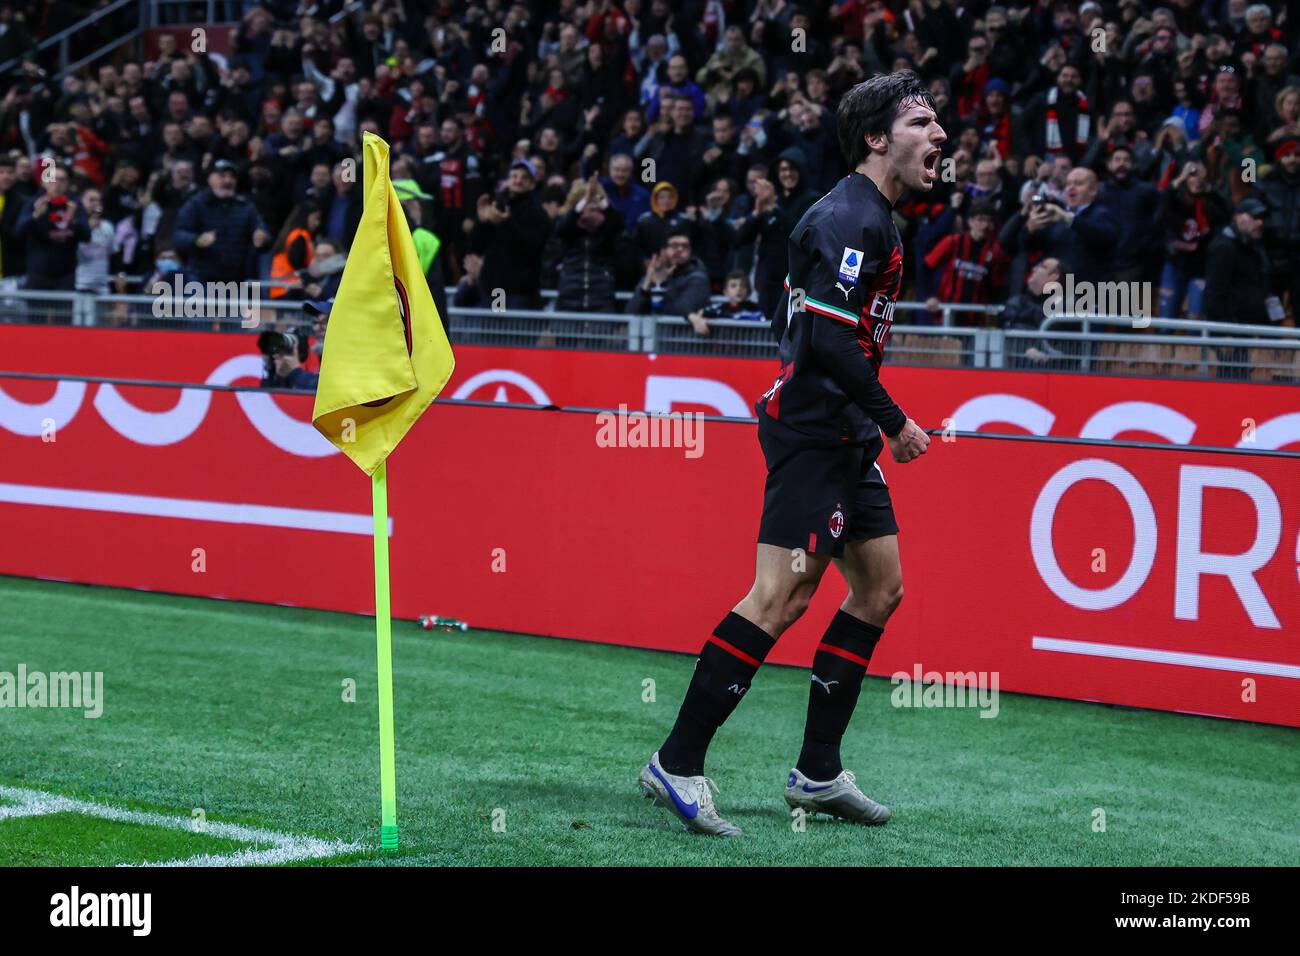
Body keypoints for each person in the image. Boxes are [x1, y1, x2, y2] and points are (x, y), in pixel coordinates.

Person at [638, 71, 940, 836]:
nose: (940, 137)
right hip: (814, 431)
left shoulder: (878, 218)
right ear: (877, 138)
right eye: (922, 124)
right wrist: (896, 420)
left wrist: (873, 423)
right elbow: (827, 338)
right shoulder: (845, 216)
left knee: (880, 588)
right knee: (779, 598)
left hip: (847, 433)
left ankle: (817, 772)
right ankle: (676, 763)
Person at [624, 227, 710, 318]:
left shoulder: (698, 278)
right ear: (663, 251)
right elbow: (630, 313)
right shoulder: (654, 273)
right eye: (674, 245)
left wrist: (661, 285)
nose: (680, 249)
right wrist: (647, 283)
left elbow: (681, 312)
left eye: (685, 246)